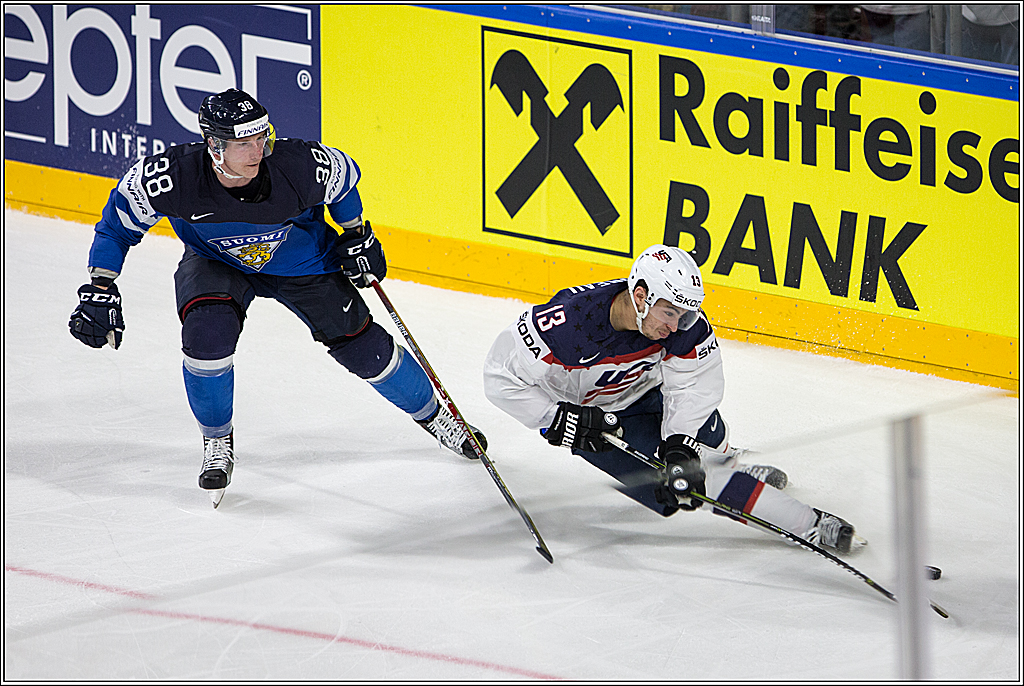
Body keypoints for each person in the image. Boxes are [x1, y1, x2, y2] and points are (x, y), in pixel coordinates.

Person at [69, 88, 484, 507]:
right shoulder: (171, 177)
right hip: (217, 262)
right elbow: (117, 226)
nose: (257, 151)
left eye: (261, 138)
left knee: (364, 347)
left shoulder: (297, 165)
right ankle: (217, 441)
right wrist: (101, 287)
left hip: (303, 265)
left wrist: (358, 234)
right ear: (214, 145)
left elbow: (343, 179)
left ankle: (438, 417)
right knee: (206, 337)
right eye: (243, 143)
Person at [483, 244, 862, 554]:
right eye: (669, 312)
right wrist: (554, 417)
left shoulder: (683, 325)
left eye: (684, 313)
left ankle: (732, 469)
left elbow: (696, 381)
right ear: (641, 295)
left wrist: (679, 439)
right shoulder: (568, 325)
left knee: (706, 438)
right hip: (597, 423)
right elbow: (499, 376)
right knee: (690, 485)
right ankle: (808, 524)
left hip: (645, 392)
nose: (676, 325)